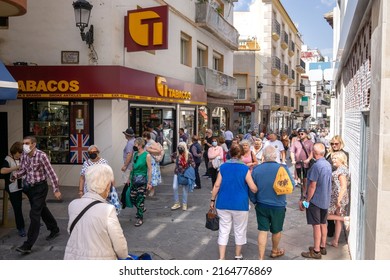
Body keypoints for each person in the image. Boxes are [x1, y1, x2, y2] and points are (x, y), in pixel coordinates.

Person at [64, 164, 128, 260]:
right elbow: (120, 247)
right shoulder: (108, 210)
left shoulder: (73, 205)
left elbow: (71, 231)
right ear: (108, 185)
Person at [12, 135, 62, 254]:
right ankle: (54, 229)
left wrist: (56, 189)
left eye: (27, 143)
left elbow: (51, 173)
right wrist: (16, 175)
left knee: (34, 214)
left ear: (33, 144)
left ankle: (28, 245)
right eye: (24, 143)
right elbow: (24, 169)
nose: (25, 145)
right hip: (30, 188)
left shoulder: (41, 156)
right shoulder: (24, 155)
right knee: (41, 209)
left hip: (40, 188)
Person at [210, 144, 258, 260]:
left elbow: (216, 185)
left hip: (223, 203)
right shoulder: (244, 168)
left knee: (224, 230)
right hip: (240, 204)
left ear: (230, 154)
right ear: (241, 154)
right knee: (240, 230)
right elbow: (253, 188)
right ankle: (237, 255)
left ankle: (221, 258)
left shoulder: (223, 167)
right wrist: (257, 189)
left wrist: (212, 200)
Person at [250, 146, 295, 259]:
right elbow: (292, 185)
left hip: (261, 204)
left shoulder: (256, 170)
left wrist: (254, 201)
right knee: (276, 230)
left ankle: (261, 258)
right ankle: (274, 250)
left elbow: (251, 188)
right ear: (276, 156)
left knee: (262, 230)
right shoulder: (282, 168)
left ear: (263, 157)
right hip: (278, 205)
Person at [301, 143, 332, 259]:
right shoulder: (328, 164)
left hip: (316, 201)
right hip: (325, 199)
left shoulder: (316, 166)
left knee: (316, 225)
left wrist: (307, 200)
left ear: (314, 153)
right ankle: (323, 246)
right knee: (324, 223)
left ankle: (316, 250)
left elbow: (312, 186)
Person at [325, 135, 349, 237]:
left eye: (336, 143)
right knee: (334, 213)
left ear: (340, 144)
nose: (334, 145)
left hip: (337, 189)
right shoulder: (329, 153)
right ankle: (333, 236)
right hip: (330, 187)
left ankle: (333, 232)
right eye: (332, 143)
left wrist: (339, 199)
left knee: (331, 214)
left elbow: (343, 184)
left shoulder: (343, 154)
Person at [0, 142, 26, 237]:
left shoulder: (22, 158)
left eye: (22, 152)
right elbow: (2, 170)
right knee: (17, 207)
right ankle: (21, 228)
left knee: (35, 201)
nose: (21, 154)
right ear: (14, 151)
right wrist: (16, 167)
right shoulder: (8, 159)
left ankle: (36, 222)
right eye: (19, 152)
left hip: (23, 184)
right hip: (13, 186)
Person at [327, 151, 350, 247]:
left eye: (336, 158)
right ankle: (335, 241)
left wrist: (338, 201)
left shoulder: (341, 171)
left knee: (325, 216)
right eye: (333, 158)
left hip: (338, 198)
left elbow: (343, 187)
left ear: (341, 159)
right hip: (336, 197)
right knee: (337, 220)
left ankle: (345, 218)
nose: (333, 160)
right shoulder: (341, 169)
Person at [129, 137, 152, 227]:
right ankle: (141, 208)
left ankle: (140, 218)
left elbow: (150, 169)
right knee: (132, 198)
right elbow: (133, 168)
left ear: (140, 145)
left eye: (136, 144)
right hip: (134, 180)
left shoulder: (147, 155)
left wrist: (149, 183)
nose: (134, 146)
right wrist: (128, 179)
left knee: (140, 199)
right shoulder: (135, 154)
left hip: (142, 180)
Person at [290, 128, 314, 198]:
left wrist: (308, 159)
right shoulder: (296, 143)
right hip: (298, 164)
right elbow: (292, 152)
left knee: (306, 179)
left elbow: (312, 152)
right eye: (299, 134)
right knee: (301, 179)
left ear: (306, 134)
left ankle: (305, 193)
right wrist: (293, 160)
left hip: (307, 164)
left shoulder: (310, 143)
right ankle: (303, 192)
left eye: (302, 134)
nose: (300, 135)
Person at [171, 142, 195, 211]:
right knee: (174, 187)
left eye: (181, 146)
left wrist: (189, 170)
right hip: (177, 172)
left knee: (185, 189)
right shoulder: (177, 154)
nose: (180, 148)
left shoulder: (189, 154)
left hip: (185, 174)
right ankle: (177, 203)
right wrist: (174, 160)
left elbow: (193, 164)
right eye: (179, 146)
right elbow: (171, 156)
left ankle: (184, 204)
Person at [142, 131, 162, 197]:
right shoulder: (148, 142)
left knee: (152, 175)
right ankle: (149, 189)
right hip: (148, 161)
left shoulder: (152, 142)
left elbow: (159, 150)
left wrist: (149, 150)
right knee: (149, 175)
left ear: (145, 137)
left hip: (152, 161)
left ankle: (152, 190)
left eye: (143, 137)